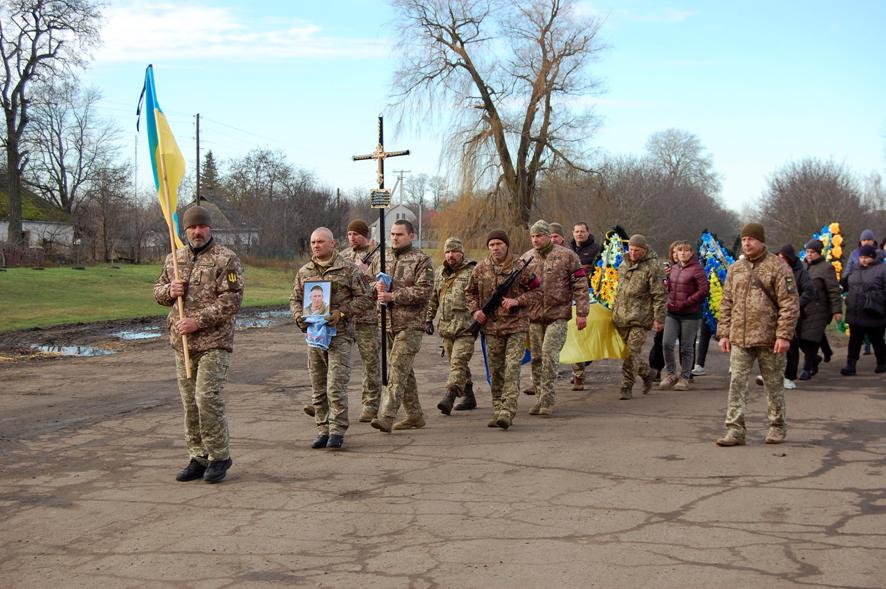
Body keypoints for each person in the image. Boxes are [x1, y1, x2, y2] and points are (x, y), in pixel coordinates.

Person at [153, 205, 243, 484]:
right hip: (183, 344)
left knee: (206, 398)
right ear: (185, 230)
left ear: (210, 228)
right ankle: (198, 456)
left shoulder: (225, 259)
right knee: (190, 403)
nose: (197, 231)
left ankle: (219, 455)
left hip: (214, 342)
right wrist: (171, 291)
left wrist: (198, 321)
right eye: (192, 227)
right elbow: (157, 292)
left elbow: (231, 301)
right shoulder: (174, 259)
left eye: (202, 226)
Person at [715, 223, 800, 447]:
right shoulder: (736, 268)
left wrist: (784, 335)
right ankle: (735, 430)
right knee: (737, 383)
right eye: (744, 239)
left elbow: (789, 304)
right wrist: (723, 333)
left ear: (761, 241)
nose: (747, 243)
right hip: (740, 338)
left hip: (769, 339)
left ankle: (777, 426)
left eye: (751, 239)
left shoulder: (778, 267)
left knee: (773, 385)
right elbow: (726, 303)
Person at [291, 227, 372, 449]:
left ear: (332, 243)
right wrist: (300, 317)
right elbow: (295, 299)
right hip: (314, 337)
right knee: (318, 386)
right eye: (313, 242)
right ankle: (322, 429)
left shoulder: (348, 270)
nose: (316, 245)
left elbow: (366, 298)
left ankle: (337, 430)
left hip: (340, 335)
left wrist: (342, 312)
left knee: (335, 385)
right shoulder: (305, 271)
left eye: (320, 241)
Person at [466, 230, 540, 429]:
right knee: (496, 370)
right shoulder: (480, 268)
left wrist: (517, 300)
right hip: (491, 328)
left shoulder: (520, 267)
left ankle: (508, 410)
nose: (495, 248)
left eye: (499, 243)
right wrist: (475, 311)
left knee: (512, 367)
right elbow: (469, 293)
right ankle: (498, 409)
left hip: (516, 325)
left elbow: (538, 291)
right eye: (492, 245)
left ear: (507, 245)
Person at [369, 220, 434, 433]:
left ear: (411, 236)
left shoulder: (421, 260)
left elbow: (424, 292)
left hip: (411, 324)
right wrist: (375, 287)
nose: (395, 238)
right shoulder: (382, 258)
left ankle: (387, 415)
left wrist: (393, 296)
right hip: (387, 323)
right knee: (404, 370)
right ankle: (415, 415)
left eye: (399, 234)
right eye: (393, 234)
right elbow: (366, 283)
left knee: (396, 368)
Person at [523, 220, 590, 415]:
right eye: (533, 237)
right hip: (534, 316)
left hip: (558, 315)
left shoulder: (567, 256)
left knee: (549, 355)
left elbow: (580, 284)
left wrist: (582, 312)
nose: (536, 240)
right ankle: (539, 398)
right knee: (536, 358)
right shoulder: (526, 258)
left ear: (548, 236)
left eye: (539, 236)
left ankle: (547, 400)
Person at [426, 237, 478, 414]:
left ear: (461, 253)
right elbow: (434, 298)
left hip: (466, 328)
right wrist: (428, 319)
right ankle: (469, 396)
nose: (450, 255)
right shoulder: (441, 272)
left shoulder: (473, 272)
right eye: (447, 252)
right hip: (447, 329)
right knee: (458, 364)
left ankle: (449, 396)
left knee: (458, 363)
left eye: (454, 252)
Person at [611, 234, 667, 400]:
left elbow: (659, 295)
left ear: (644, 250)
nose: (633, 253)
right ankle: (647, 372)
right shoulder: (623, 264)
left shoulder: (653, 267)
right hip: (621, 317)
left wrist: (659, 318)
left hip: (640, 318)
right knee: (624, 352)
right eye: (631, 249)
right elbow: (619, 290)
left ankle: (626, 386)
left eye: (637, 250)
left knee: (632, 353)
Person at [339, 219, 382, 422]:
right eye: (349, 234)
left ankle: (370, 404)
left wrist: (364, 276)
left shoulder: (378, 256)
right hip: (345, 317)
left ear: (365, 235)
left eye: (356, 234)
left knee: (370, 363)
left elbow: (382, 285)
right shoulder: (343, 256)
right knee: (337, 362)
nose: (352, 238)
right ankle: (330, 401)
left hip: (367, 318)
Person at [660, 240, 709, 391]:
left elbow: (704, 290)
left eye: (686, 251)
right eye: (680, 250)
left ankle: (685, 377)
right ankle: (670, 373)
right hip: (672, 312)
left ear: (691, 253)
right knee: (667, 343)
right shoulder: (673, 268)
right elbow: (671, 287)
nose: (682, 253)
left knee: (686, 347)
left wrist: (687, 302)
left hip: (690, 314)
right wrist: (666, 285)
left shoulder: (697, 269)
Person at [768, 244, 814, 390]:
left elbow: (809, 291)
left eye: (783, 258)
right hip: (775, 313)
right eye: (778, 257)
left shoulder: (800, 272)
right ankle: (773, 373)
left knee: (792, 346)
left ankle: (789, 376)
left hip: (793, 314)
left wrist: (796, 305)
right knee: (773, 345)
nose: (780, 260)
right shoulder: (773, 270)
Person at [798, 239, 842, 380]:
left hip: (820, 308)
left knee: (812, 339)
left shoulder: (826, 268)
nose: (809, 255)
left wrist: (837, 310)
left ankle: (807, 368)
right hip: (803, 307)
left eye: (813, 252)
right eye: (808, 252)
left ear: (819, 253)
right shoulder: (802, 266)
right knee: (800, 338)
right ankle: (818, 357)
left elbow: (833, 291)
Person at [839, 244, 886, 375]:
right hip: (856, 311)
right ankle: (850, 365)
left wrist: (880, 301)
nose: (863, 260)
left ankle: (882, 362)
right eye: (861, 257)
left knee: (877, 339)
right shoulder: (855, 269)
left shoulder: (882, 270)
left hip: (874, 311)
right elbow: (847, 285)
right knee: (854, 340)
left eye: (866, 257)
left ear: (872, 257)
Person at [569, 222, 601, 391]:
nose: (579, 234)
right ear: (573, 233)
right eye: (576, 231)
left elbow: (601, 271)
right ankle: (578, 373)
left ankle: (582, 364)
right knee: (576, 334)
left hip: (590, 296)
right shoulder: (569, 250)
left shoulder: (596, 249)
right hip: (570, 296)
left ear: (588, 232)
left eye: (582, 231)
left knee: (584, 333)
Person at [649, 242, 679, 381]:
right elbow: (658, 289)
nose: (677, 255)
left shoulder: (693, 268)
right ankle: (656, 369)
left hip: (685, 309)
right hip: (666, 308)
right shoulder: (665, 269)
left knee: (686, 343)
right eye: (674, 252)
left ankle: (687, 372)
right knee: (660, 340)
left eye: (680, 251)